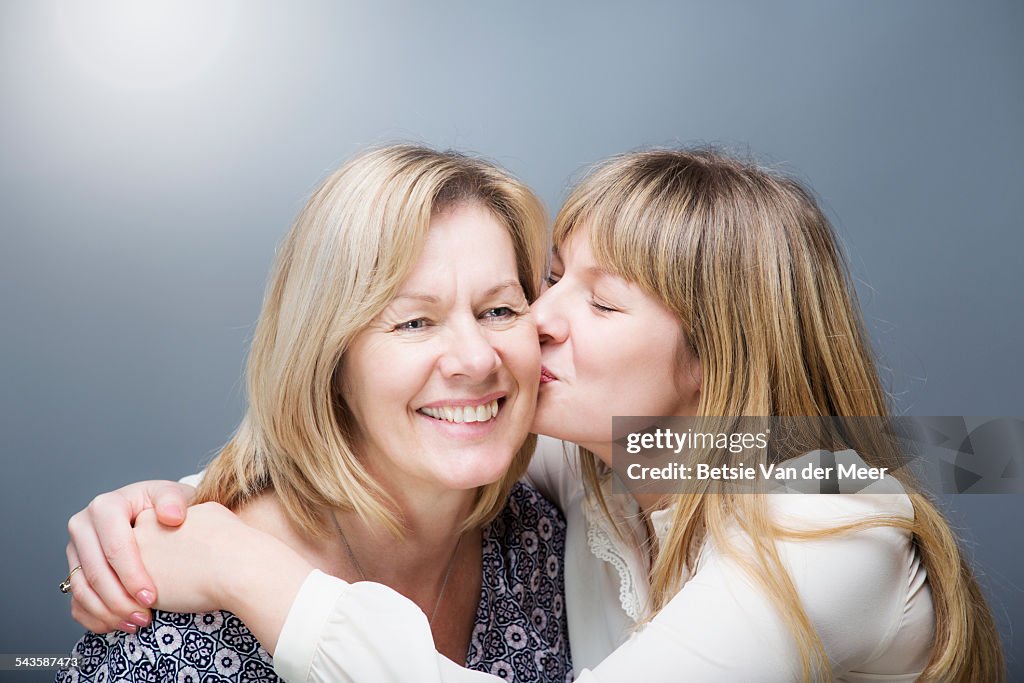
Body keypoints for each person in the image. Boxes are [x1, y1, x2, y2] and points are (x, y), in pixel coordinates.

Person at [63, 149, 1005, 681]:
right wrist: (166, 510)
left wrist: (240, 563)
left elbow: (890, 467)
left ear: (715, 360)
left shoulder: (824, 522)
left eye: (599, 303)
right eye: (550, 281)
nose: (529, 325)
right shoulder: (610, 460)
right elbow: (405, 431)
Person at [56, 145, 574, 682]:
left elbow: (666, 453)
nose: (475, 358)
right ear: (328, 358)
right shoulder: (171, 633)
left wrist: (244, 568)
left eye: (499, 310)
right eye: (414, 322)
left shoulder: (550, 531)